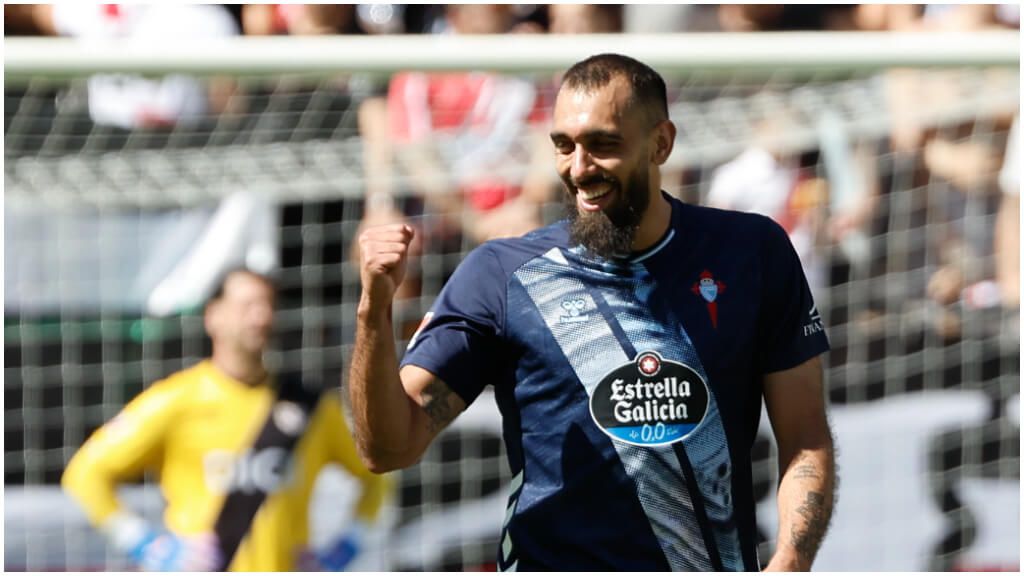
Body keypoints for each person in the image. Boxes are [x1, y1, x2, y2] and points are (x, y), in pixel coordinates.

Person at [350, 54, 836, 571]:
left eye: (603, 145)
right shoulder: (499, 275)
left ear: (661, 143)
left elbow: (805, 435)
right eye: (564, 145)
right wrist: (373, 313)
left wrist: (791, 560)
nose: (579, 168)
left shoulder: (750, 253)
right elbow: (389, 448)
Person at [63, 269, 389, 571]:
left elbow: (378, 476)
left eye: (267, 305)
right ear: (213, 316)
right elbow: (85, 474)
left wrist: (350, 542)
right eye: (247, 305)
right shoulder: (176, 400)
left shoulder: (311, 406)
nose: (261, 316)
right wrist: (146, 544)